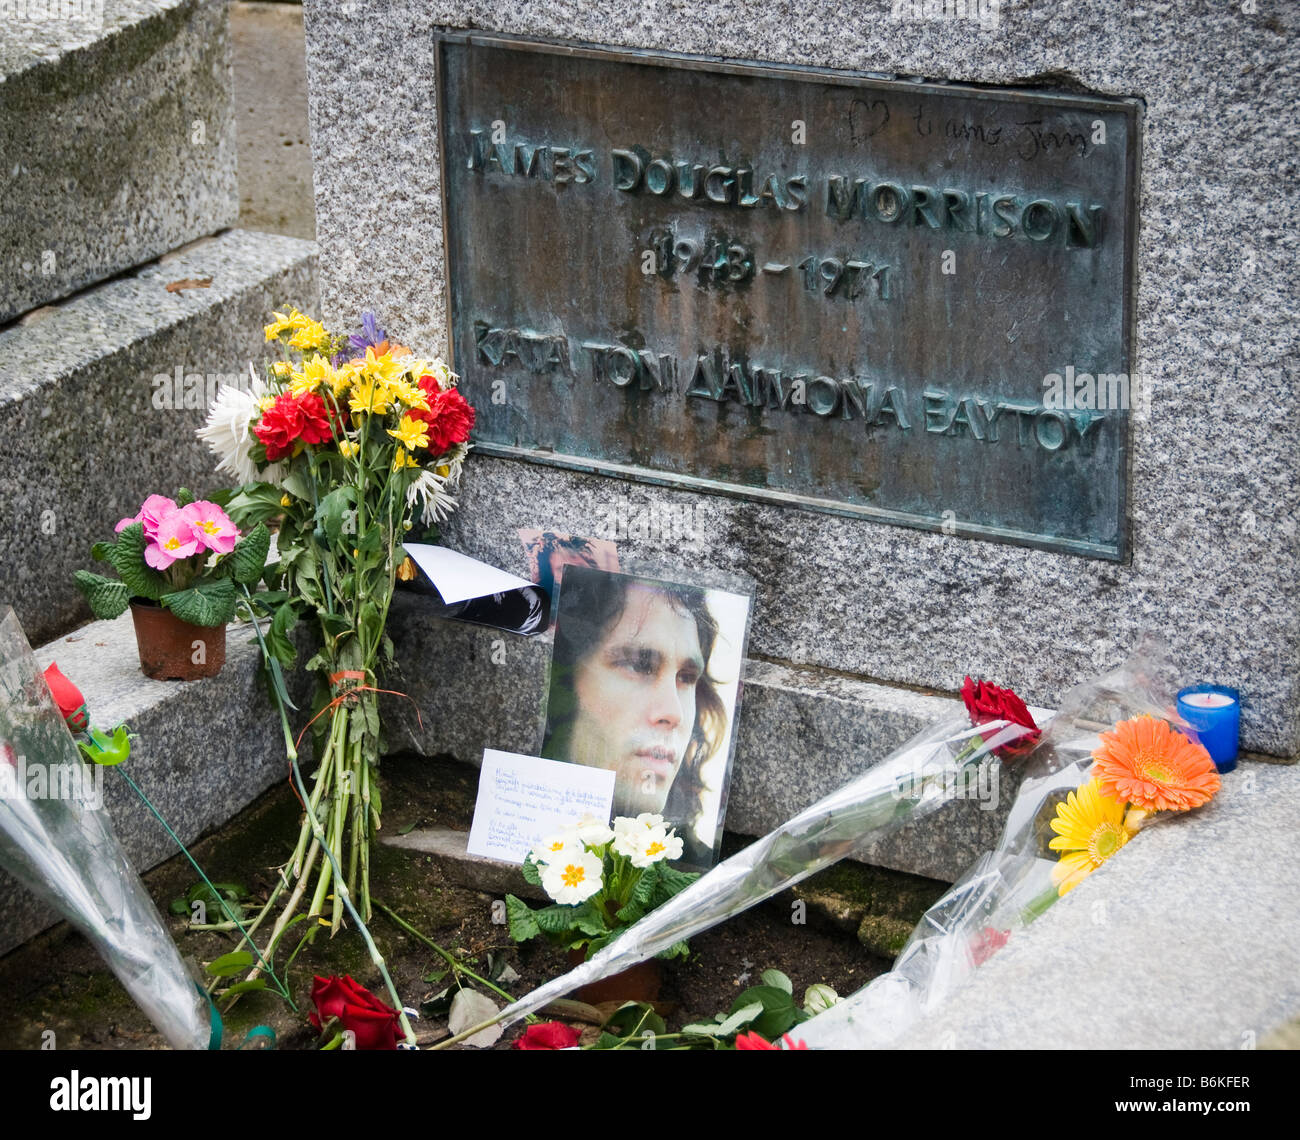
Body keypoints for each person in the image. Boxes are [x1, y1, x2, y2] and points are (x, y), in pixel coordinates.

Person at [541, 566, 728, 862]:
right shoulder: (524, 838)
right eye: (639, 666)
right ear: (564, 681)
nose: (673, 713)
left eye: (687, 677)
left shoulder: (702, 880)